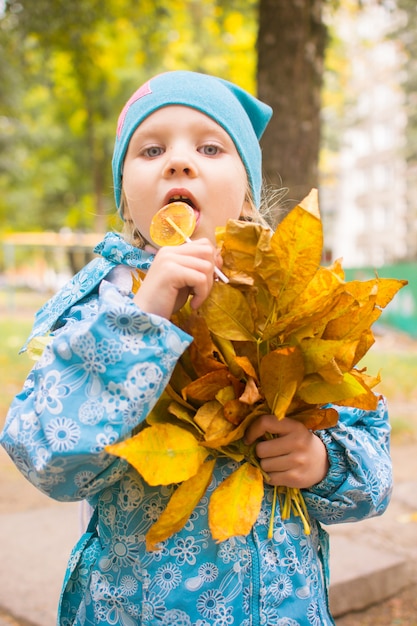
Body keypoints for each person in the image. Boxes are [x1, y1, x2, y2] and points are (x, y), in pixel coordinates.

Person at [0, 70, 392, 626]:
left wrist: (323, 462)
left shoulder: (290, 305)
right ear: (124, 196)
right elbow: (47, 456)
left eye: (210, 147)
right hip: (134, 609)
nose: (179, 162)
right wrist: (143, 317)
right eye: (151, 148)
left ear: (247, 186)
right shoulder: (106, 304)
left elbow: (373, 473)